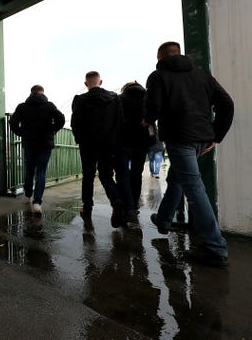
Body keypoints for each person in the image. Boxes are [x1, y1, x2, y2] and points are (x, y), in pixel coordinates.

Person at [145, 41, 234, 267]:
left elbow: (154, 107)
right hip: (202, 137)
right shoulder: (202, 75)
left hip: (179, 137)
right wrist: (216, 134)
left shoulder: (159, 75)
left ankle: (215, 248)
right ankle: (164, 220)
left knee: (194, 187)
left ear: (160, 58)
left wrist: (147, 118)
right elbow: (226, 103)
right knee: (177, 178)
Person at [71, 71, 126, 227]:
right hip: (109, 144)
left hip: (88, 144)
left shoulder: (80, 100)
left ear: (86, 84)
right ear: (100, 82)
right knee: (106, 175)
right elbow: (121, 121)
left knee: (88, 177)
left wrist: (79, 139)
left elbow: (75, 123)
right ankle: (116, 199)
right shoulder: (114, 98)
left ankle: (87, 210)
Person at [10, 84, 65, 214]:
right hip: (45, 144)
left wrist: (22, 133)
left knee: (29, 170)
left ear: (31, 93)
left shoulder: (22, 107)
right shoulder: (50, 106)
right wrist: (53, 130)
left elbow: (13, 122)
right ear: (42, 93)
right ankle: (37, 203)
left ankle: (27, 196)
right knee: (41, 172)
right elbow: (61, 119)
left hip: (29, 143)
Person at [115, 81, 154, 216]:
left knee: (122, 173)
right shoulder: (147, 99)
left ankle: (127, 203)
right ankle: (134, 204)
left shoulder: (119, 99)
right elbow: (152, 120)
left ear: (125, 88)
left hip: (122, 140)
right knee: (137, 173)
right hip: (141, 141)